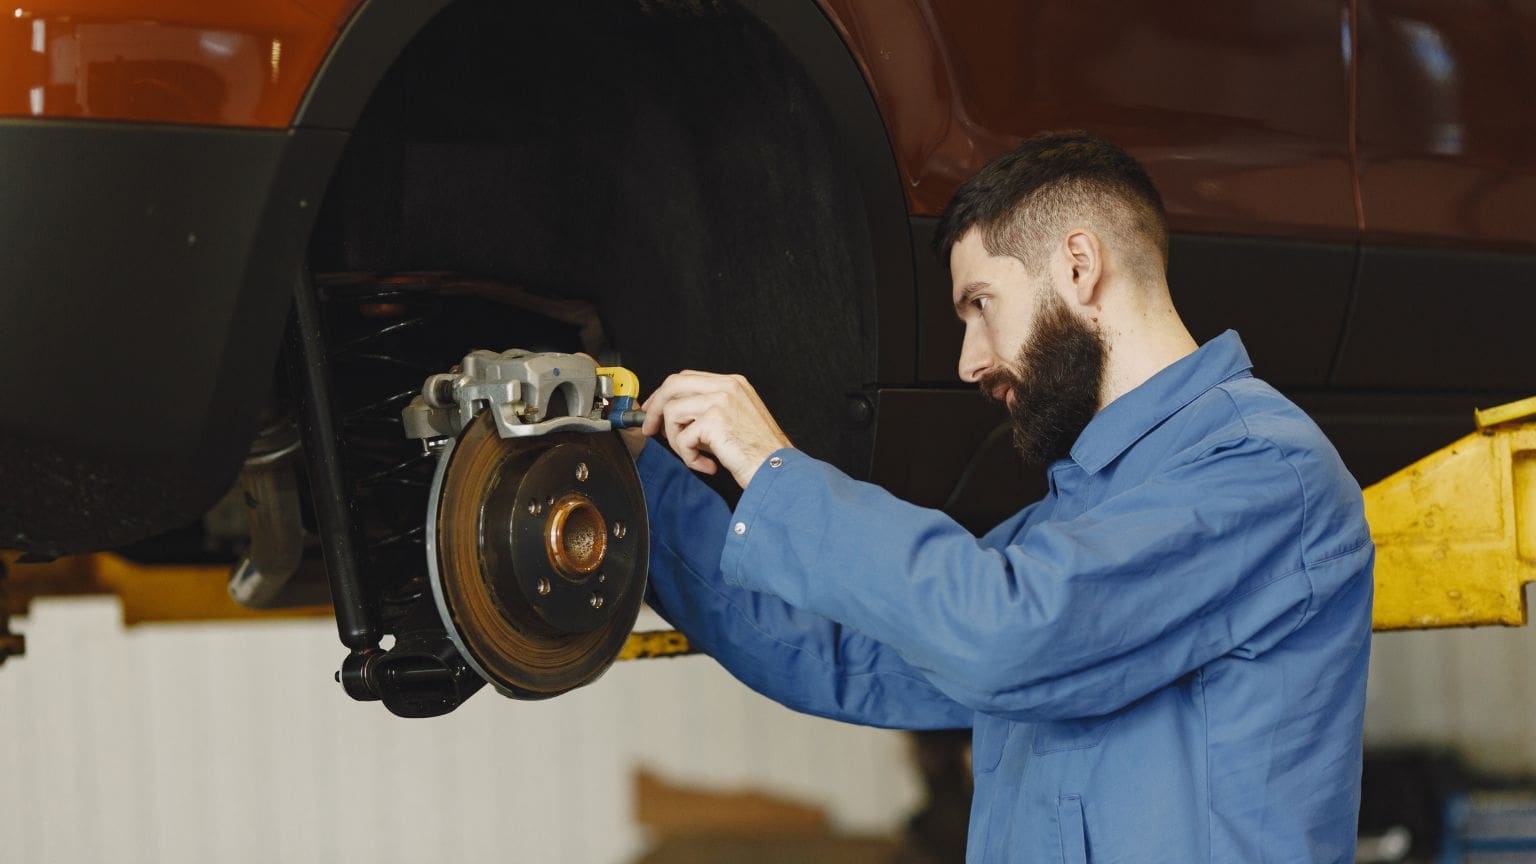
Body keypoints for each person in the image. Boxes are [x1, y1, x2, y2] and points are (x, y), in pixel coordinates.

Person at [622, 131, 1373, 863]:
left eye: (981, 304)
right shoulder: (1069, 523)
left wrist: (773, 466)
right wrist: (636, 480)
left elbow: (1010, 632)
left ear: (1078, 266)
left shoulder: (1263, 471)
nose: (968, 361)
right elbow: (838, 652)